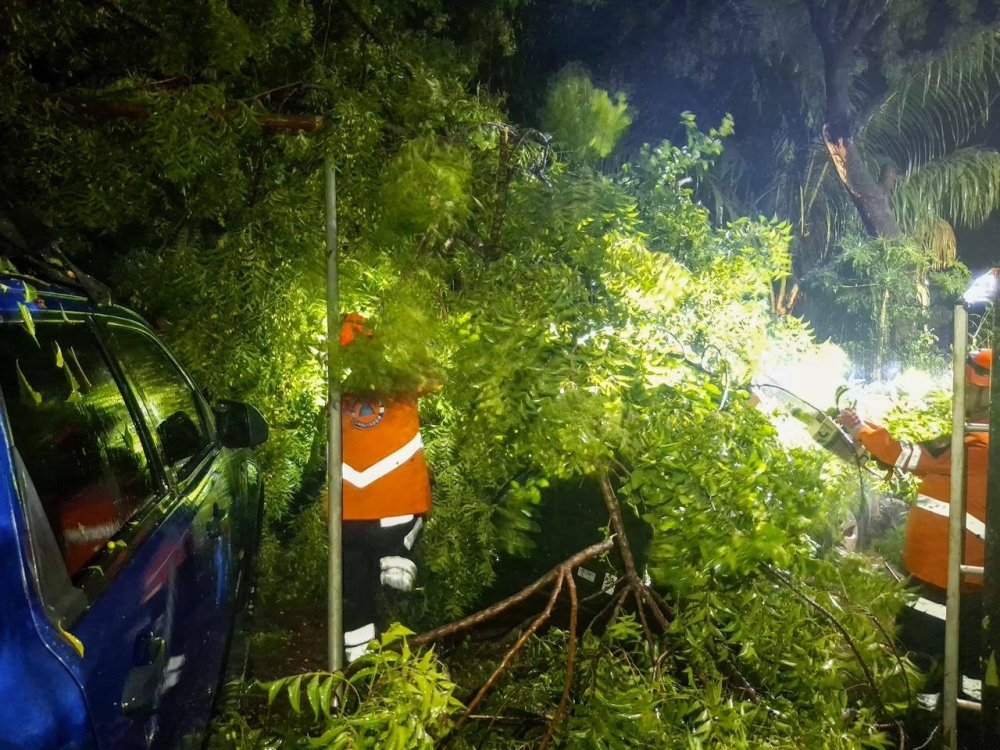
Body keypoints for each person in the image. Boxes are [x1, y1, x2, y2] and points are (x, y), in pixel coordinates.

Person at [837, 349, 991, 707]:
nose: (959, 394)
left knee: (917, 646)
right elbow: (931, 467)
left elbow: (905, 454)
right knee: (966, 650)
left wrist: (860, 428)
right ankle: (965, 713)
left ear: (985, 393)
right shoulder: (979, 446)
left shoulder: (974, 445)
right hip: (967, 575)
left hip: (941, 572)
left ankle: (912, 711)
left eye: (966, 387)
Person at [336, 314, 433, 662]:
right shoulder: (403, 383)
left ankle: (358, 661)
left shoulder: (338, 393)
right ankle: (397, 557)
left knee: (354, 592)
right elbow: (435, 377)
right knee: (382, 581)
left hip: (349, 516)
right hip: (396, 508)